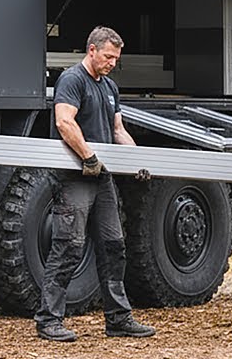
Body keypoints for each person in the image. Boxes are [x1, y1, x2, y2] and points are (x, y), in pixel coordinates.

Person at [35, 26, 157, 342]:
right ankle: (48, 320)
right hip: (75, 176)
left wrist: (135, 162)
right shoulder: (73, 80)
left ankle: (118, 319)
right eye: (108, 56)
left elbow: (118, 131)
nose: (112, 62)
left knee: (113, 245)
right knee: (69, 246)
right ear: (91, 50)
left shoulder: (110, 88)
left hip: (101, 179)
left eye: (116, 58)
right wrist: (88, 157)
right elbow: (64, 121)